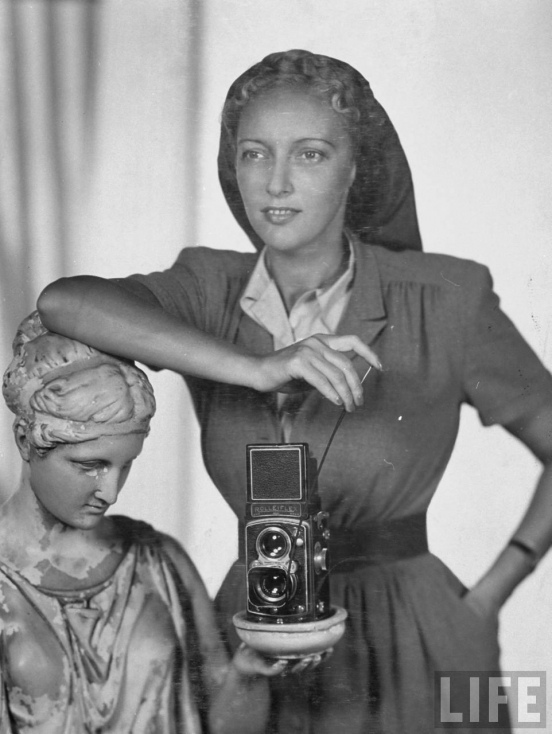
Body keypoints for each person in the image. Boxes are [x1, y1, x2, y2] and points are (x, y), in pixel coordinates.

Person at [36, 49, 552, 734]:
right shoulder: (207, 287)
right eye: (255, 154)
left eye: (309, 155)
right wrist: (259, 367)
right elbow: (63, 302)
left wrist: (492, 593)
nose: (275, 183)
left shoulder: (447, 295)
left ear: (356, 167)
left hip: (418, 639)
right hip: (253, 633)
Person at [0, 311, 293, 734]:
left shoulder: (159, 560)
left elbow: (223, 725)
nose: (111, 492)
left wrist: (247, 672)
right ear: (25, 441)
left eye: (126, 466)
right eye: (90, 465)